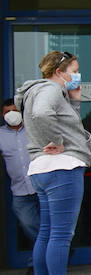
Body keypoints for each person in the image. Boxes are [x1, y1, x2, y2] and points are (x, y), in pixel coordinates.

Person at [15, 52, 91, 275]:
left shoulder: (37, 91)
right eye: (74, 70)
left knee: (47, 232)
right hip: (62, 167)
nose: (77, 75)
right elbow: (42, 115)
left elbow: (64, 121)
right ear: (60, 72)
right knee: (60, 234)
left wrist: (75, 101)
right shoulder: (50, 89)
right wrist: (57, 141)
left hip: (41, 168)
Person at [1, 98, 39, 260]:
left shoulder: (34, 129)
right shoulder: (1, 135)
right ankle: (56, 252)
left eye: (14, 111)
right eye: (7, 112)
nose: (11, 115)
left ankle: (36, 262)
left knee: (50, 225)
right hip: (19, 190)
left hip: (41, 185)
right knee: (28, 224)